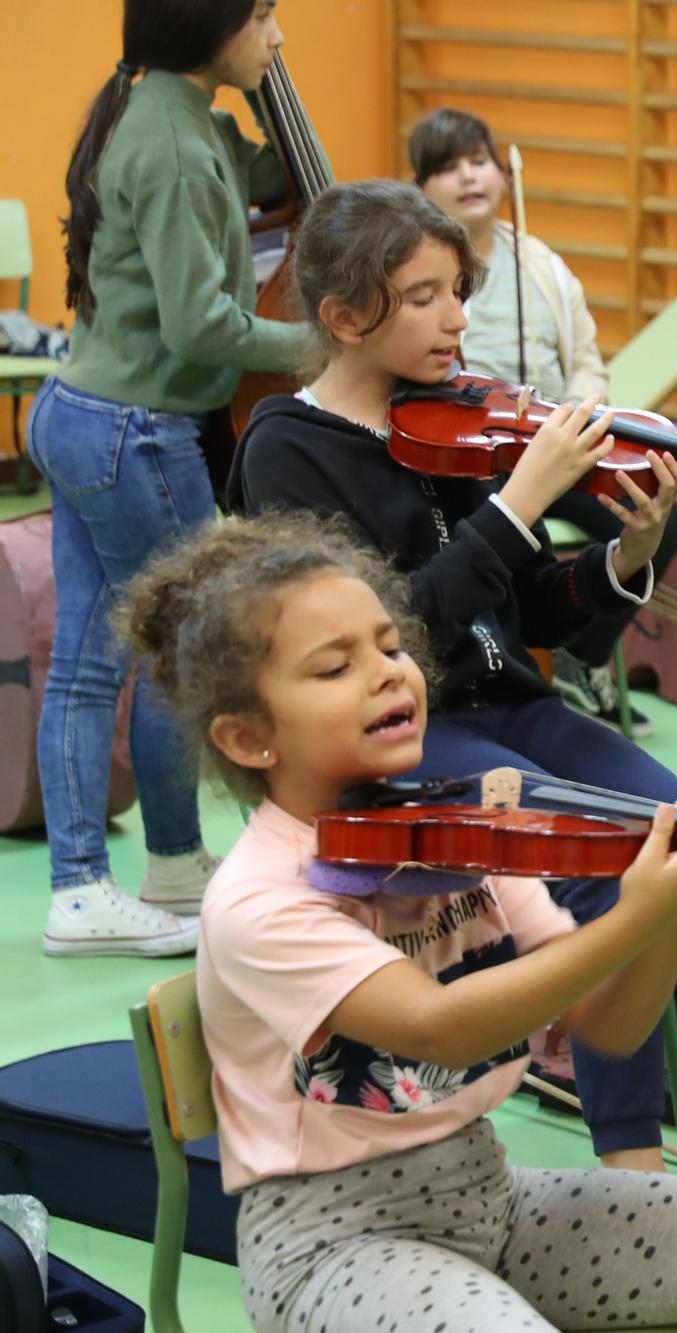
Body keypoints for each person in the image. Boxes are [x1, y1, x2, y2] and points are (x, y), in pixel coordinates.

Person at [225, 180, 677, 1213]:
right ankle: (635, 1182)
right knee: (621, 862)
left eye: (456, 292)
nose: (457, 319)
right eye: (423, 296)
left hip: (507, 707)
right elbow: (385, 642)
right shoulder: (284, 449)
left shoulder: (451, 421)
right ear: (343, 318)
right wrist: (518, 501)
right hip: (394, 740)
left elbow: (536, 612)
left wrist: (631, 551)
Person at [121, 511, 677, 1332]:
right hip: (333, 1248)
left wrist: (669, 917)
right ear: (248, 737)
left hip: (490, 1200)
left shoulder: (452, 835)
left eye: (391, 647)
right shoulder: (263, 897)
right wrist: (631, 919)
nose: (387, 674)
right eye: (335, 667)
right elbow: (440, 1030)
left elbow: (605, 1024)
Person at [29, 0, 310, 957]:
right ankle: (107, 879)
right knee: (180, 655)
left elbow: (268, 178)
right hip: (133, 429)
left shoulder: (165, 110)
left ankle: (144, 871)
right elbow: (202, 326)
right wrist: (322, 343)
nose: (279, 36)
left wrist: (276, 106)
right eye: (266, 16)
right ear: (213, 22)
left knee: (89, 663)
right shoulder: (179, 145)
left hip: (82, 411)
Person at [410, 106, 668, 736]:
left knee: (658, 509)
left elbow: (585, 363)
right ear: (422, 188)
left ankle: (583, 656)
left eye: (479, 160)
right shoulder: (423, 269)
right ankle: (523, 666)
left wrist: (571, 420)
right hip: (478, 447)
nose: (470, 177)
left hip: (555, 440)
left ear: (503, 174)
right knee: (506, 536)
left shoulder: (543, 264)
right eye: (448, 167)